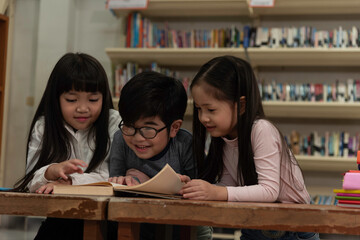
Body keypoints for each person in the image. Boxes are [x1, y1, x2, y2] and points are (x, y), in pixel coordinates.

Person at [179, 55, 320, 240]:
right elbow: (228, 186)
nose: (203, 117)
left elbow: (269, 190)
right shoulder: (223, 137)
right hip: (255, 225)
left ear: (242, 105)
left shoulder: (261, 129)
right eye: (198, 109)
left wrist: (216, 191)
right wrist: (197, 189)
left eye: (211, 110)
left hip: (293, 227)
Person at [13, 52, 121, 239]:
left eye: (93, 99)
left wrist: (71, 183)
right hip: (59, 220)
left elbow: (112, 178)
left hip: (106, 221)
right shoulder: (44, 126)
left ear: (104, 98)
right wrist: (51, 171)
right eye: (71, 100)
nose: (82, 108)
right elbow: (32, 181)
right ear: (56, 99)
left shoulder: (113, 122)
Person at [108, 71, 211, 240]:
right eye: (129, 125)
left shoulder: (186, 145)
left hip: (185, 230)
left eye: (148, 128)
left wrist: (167, 185)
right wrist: (119, 182)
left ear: (174, 128)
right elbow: (115, 186)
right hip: (138, 227)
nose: (137, 137)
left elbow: (204, 196)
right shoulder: (120, 138)